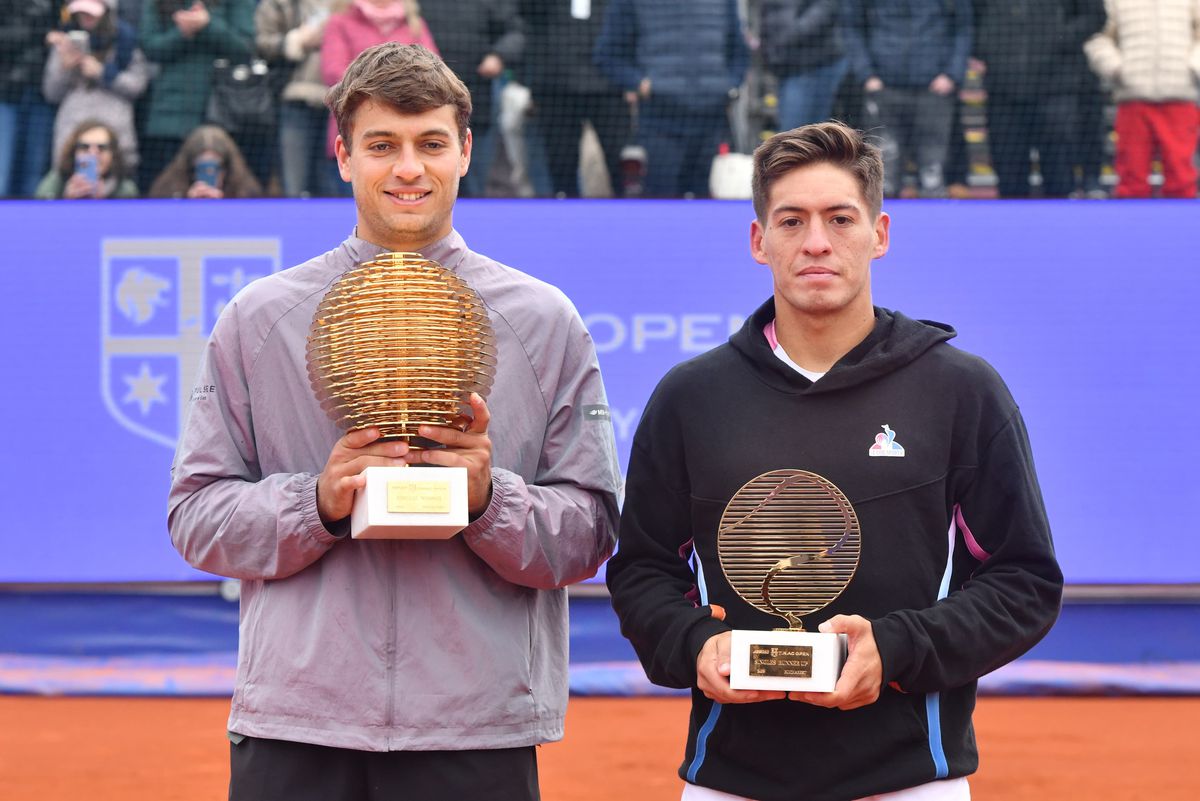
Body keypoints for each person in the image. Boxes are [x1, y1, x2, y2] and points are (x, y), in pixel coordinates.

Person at [167, 42, 620, 800]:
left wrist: (489, 498)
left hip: (476, 727)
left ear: (465, 152)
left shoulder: (546, 321)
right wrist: (317, 500)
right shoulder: (259, 318)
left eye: (430, 144)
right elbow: (196, 515)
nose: (408, 168)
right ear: (342, 154)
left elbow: (591, 530)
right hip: (298, 723)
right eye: (382, 145)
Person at [605, 121, 1062, 801]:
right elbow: (642, 568)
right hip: (731, 779)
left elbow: (1025, 581)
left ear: (879, 233)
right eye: (791, 220)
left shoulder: (960, 390)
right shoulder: (690, 397)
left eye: (839, 218)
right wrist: (695, 642)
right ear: (760, 241)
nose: (816, 241)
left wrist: (900, 648)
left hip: (911, 779)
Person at [594, 0, 749, 198]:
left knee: (708, 209)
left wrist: (728, 86)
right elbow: (608, 54)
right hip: (660, 123)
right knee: (663, 205)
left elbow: (740, 52)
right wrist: (641, 84)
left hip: (712, 121)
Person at [971, 0, 1104, 198]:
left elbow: (1095, 16)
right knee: (1010, 176)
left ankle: (1060, 225)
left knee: (1059, 175)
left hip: (1057, 88)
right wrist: (986, 47)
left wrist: (1059, 36)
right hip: (1004, 90)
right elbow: (969, 18)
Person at [842, 0, 972, 198]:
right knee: (884, 175)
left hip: (934, 89)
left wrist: (952, 74)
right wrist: (866, 74)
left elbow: (964, 27)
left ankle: (935, 225)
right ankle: (881, 228)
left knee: (933, 175)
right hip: (884, 87)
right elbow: (851, 27)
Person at [319, 0, 437, 196]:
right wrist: (388, 92)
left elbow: (434, 70)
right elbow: (333, 71)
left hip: (414, 131)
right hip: (358, 130)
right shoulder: (340, 22)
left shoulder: (414, 23)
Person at [1084, 0, 1200, 199]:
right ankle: (1131, 228)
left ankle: (1183, 228)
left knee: (1181, 178)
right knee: (1131, 177)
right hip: (1132, 100)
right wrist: (1117, 69)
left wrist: (1193, 67)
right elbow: (1097, 38)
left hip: (1180, 98)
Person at [137, 0, 256, 190]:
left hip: (221, 115)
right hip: (168, 117)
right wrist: (182, 32)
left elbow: (246, 49)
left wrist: (208, 25)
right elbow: (149, 47)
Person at [421, 0, 526, 197]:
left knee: (475, 171)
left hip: (477, 95)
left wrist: (498, 56)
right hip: (424, 96)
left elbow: (515, 32)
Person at [43, 0, 150, 175]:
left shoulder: (127, 42)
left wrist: (103, 73)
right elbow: (51, 93)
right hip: (71, 129)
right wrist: (65, 68)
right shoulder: (65, 41)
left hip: (116, 129)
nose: (85, 18)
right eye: (81, 12)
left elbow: (138, 86)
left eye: (91, 13)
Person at [254, 0, 338, 197]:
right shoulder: (278, 4)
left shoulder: (350, 5)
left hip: (339, 104)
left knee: (330, 182)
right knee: (293, 182)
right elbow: (259, 44)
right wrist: (296, 41)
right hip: (294, 99)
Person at [758, 0, 846, 131]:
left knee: (800, 133)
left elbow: (824, 10)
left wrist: (791, 34)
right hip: (785, 64)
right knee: (795, 133)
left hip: (816, 62)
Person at [147, 123, 262, 197]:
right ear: (190, 170)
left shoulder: (247, 194)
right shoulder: (165, 192)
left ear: (227, 169)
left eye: (215, 168)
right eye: (201, 168)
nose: (209, 173)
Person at [34, 119, 139, 198]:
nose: (93, 154)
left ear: (113, 154)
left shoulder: (126, 190)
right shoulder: (56, 182)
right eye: (84, 147)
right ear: (73, 152)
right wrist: (66, 203)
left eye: (101, 148)